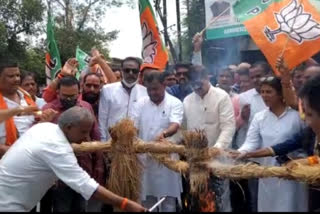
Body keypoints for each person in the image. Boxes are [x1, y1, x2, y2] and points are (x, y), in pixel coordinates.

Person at [0, 107, 146, 212]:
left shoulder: (45, 127)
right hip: (8, 203)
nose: (86, 137)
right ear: (69, 127)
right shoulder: (57, 147)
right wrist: (125, 203)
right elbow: (86, 185)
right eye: (83, 132)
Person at [235, 76, 308, 212]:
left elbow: (305, 142)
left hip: (292, 173)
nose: (264, 96)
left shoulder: (297, 116)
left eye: (269, 92)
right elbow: (251, 143)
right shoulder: (259, 117)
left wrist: (300, 161)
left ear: (280, 94)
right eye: (262, 92)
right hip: (268, 174)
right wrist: (240, 153)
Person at [42, 76, 104, 212]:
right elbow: (40, 141)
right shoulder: (48, 110)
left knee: (81, 207)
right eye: (65, 96)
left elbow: (96, 136)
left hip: (83, 169)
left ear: (79, 91)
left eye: (73, 96)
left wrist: (99, 164)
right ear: (57, 92)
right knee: (61, 208)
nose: (69, 99)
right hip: (58, 174)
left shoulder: (86, 107)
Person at [183, 65, 235, 211]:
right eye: (194, 85)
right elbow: (183, 130)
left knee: (220, 200)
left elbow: (228, 127)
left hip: (218, 159)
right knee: (198, 199)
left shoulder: (222, 97)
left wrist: (216, 149)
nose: (197, 88)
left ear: (207, 78)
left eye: (200, 84)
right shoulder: (187, 101)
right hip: (196, 161)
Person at [133, 71, 183, 212]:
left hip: (167, 160)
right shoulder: (140, 104)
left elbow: (175, 124)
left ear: (164, 85)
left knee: (168, 201)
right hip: (145, 160)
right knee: (147, 199)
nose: (152, 92)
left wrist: (164, 134)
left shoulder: (175, 103)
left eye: (155, 89)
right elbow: (133, 126)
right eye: (149, 89)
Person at [99, 57, 148, 141]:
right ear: (122, 71)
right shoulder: (108, 90)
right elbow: (102, 119)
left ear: (139, 73)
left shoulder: (146, 92)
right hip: (112, 143)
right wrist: (102, 143)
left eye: (134, 71)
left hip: (136, 145)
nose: (131, 73)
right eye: (127, 70)